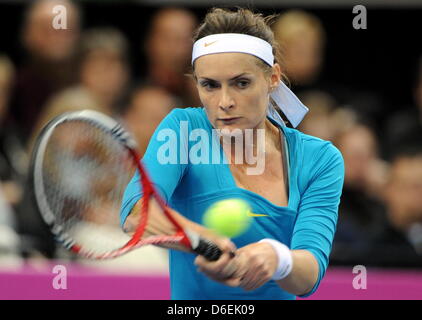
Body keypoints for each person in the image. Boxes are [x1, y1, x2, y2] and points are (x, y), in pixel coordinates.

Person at [120, 8, 344, 300]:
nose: (224, 102)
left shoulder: (321, 160)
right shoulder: (183, 130)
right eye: (210, 85)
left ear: (273, 77)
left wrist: (276, 257)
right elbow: (137, 214)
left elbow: (308, 275)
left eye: (241, 83)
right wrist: (205, 241)